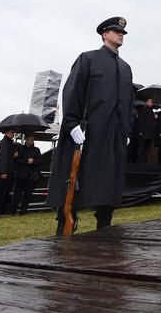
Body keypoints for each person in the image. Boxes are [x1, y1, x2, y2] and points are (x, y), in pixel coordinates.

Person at [46, 17, 133, 234]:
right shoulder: (88, 59)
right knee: (77, 177)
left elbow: (128, 103)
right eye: (115, 31)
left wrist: (126, 129)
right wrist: (72, 123)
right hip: (89, 132)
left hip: (114, 134)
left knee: (109, 181)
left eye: (122, 32)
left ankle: (104, 223)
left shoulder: (125, 68)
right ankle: (65, 222)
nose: (120, 34)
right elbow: (73, 92)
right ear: (104, 35)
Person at [12, 135, 42, 215]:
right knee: (17, 194)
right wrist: (26, 161)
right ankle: (12, 211)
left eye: (33, 139)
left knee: (28, 195)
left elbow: (39, 161)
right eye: (30, 139)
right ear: (26, 139)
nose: (32, 140)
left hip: (31, 176)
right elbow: (16, 160)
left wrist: (33, 161)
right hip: (20, 176)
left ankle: (23, 211)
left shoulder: (36, 150)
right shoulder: (20, 149)